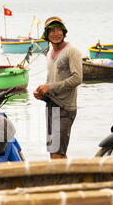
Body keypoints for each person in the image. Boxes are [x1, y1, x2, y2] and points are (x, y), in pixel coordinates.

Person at [33, 17, 82, 159]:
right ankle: (68, 180)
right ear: (47, 34)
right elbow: (52, 80)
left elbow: (77, 78)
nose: (56, 33)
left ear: (64, 32)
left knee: (57, 154)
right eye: (52, 30)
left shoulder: (72, 51)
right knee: (55, 153)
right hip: (51, 106)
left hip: (65, 107)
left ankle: (64, 180)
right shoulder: (49, 53)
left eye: (59, 29)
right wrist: (42, 94)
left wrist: (50, 87)